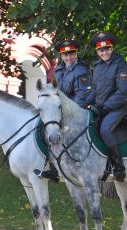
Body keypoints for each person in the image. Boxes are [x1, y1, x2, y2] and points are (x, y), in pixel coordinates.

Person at [35, 39, 91, 181]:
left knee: (61, 132)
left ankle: (75, 166)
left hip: (75, 110)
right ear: (61, 55)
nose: (68, 57)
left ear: (76, 53)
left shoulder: (81, 70)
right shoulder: (59, 70)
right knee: (44, 128)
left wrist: (67, 111)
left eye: (71, 53)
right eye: (65, 54)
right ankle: (52, 168)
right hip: (59, 109)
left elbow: (82, 95)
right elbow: (55, 92)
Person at [86, 31, 127, 182]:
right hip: (100, 107)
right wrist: (85, 104)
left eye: (107, 49)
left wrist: (106, 107)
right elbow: (94, 90)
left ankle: (119, 167)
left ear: (112, 49)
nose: (104, 52)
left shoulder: (120, 64)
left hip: (118, 107)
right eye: (101, 50)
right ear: (97, 51)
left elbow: (123, 91)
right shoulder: (97, 66)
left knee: (105, 130)